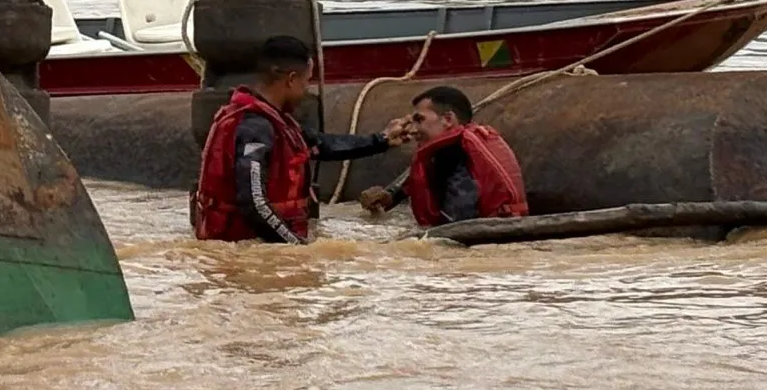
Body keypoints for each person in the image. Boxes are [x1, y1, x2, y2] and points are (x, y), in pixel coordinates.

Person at [192, 36, 413, 244]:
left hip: (260, 245)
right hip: (246, 248)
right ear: (291, 80)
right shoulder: (255, 127)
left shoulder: (275, 120)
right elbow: (253, 202)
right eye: (306, 82)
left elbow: (321, 145)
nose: (306, 90)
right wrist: (296, 246)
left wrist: (382, 139)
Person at [361, 84, 528, 227]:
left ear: (447, 119)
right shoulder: (459, 146)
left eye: (419, 120)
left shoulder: (453, 153)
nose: (412, 130)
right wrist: (390, 196)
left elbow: (459, 221)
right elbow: (416, 181)